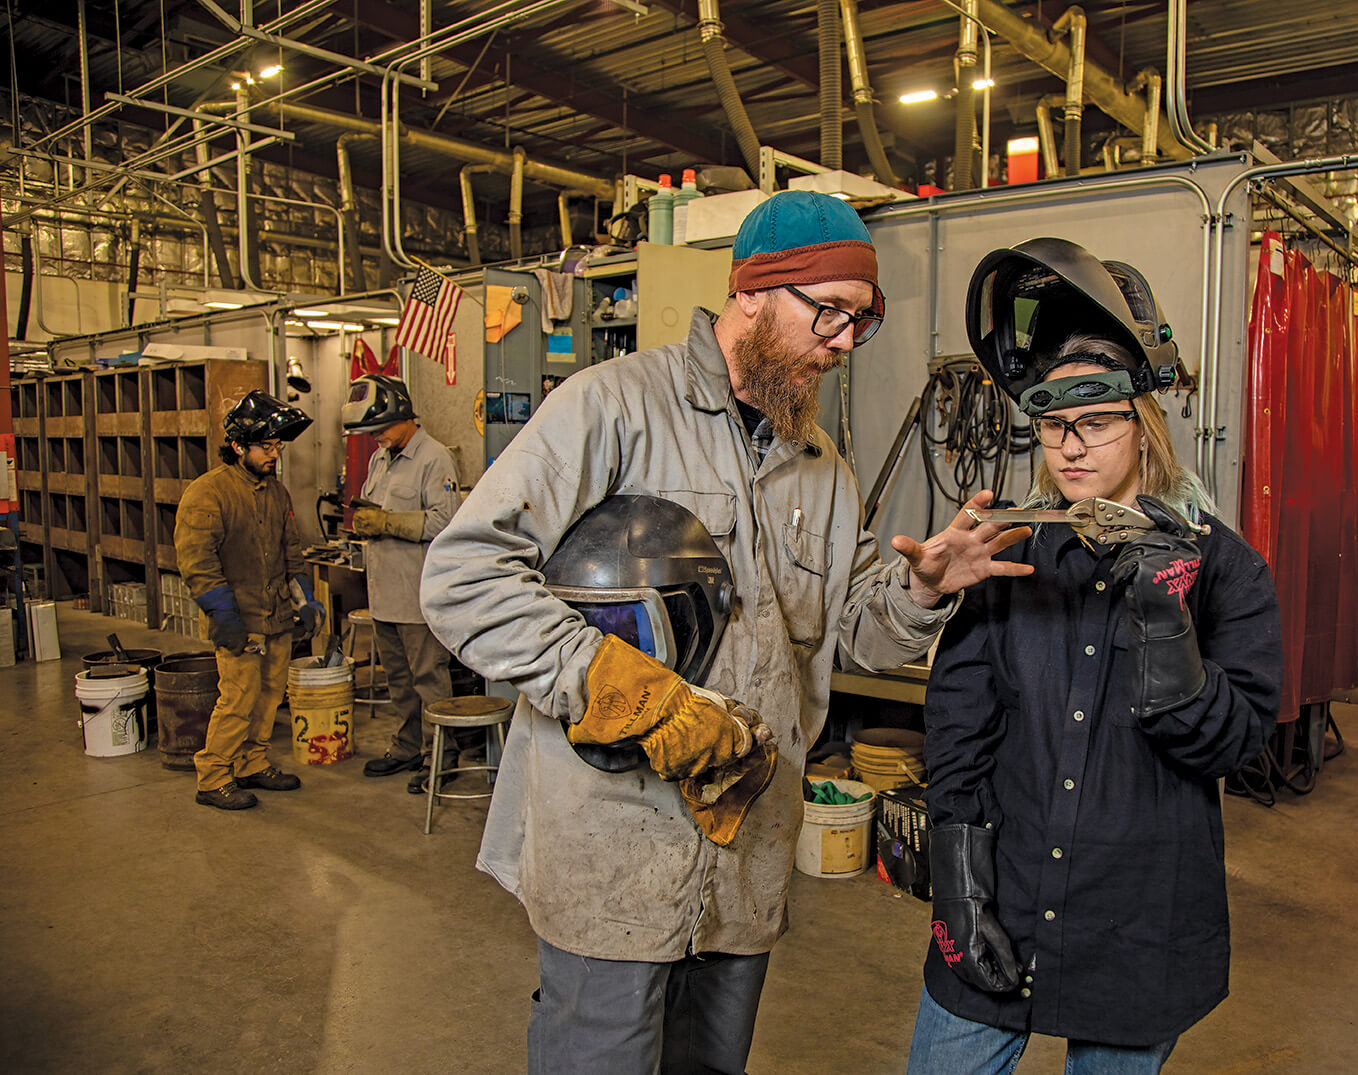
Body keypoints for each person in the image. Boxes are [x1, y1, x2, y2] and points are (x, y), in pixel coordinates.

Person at [419, 189, 1033, 1075]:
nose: (845, 342)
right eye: (829, 312)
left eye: (862, 321)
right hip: (613, 839)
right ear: (751, 291)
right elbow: (464, 576)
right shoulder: (611, 408)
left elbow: (849, 631)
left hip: (747, 840)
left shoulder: (822, 467)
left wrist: (918, 588)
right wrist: (616, 686)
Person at [907, 239, 1283, 1074]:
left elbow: (1234, 744)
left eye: (1095, 422)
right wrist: (957, 889)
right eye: (1051, 425)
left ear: (1142, 421)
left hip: (1137, 921)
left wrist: (1165, 625)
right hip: (1001, 896)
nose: (1070, 446)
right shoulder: (1009, 559)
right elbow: (957, 732)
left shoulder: (1223, 568)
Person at [176, 390, 324, 811]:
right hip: (240, 619)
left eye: (277, 446)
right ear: (239, 446)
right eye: (265, 446)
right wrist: (223, 614)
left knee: (269, 696)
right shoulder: (208, 493)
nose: (274, 454)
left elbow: (290, 552)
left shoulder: (276, 493)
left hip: (276, 616)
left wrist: (305, 599)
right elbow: (196, 561)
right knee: (238, 700)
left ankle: (252, 763)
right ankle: (213, 775)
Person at [341, 374, 469, 794]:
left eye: (381, 429)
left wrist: (387, 522)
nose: (376, 438)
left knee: (427, 679)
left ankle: (441, 756)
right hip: (385, 593)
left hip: (418, 595)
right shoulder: (382, 458)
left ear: (402, 415)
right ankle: (409, 745)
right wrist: (367, 518)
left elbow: (444, 522)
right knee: (398, 679)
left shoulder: (434, 459)